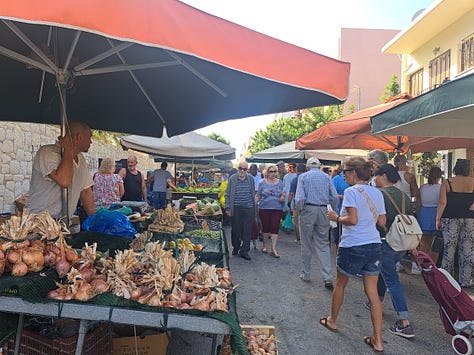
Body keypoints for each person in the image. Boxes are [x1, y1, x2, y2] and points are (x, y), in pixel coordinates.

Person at [323, 156, 386, 354]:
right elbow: (382, 222)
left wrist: (336, 217)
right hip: (374, 244)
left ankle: (332, 320)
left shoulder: (351, 192)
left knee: (341, 283)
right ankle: (378, 340)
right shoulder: (377, 193)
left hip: (353, 245)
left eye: (344, 173)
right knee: (372, 293)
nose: (343, 177)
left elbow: (353, 220)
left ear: (353, 173)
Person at [369, 164, 415, 338]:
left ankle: (405, 322)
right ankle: (376, 300)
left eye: (376, 176)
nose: (374, 179)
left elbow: (375, 220)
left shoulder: (379, 195)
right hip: (402, 244)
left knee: (392, 280)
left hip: (385, 241)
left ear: (384, 176)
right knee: (385, 271)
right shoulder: (404, 196)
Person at [26, 121, 96, 221]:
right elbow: (64, 181)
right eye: (89, 137)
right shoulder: (48, 152)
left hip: (63, 221)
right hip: (39, 221)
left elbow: (85, 191)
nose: (91, 142)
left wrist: (94, 220)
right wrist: (68, 148)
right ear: (79, 137)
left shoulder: (81, 159)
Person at [294, 157, 338, 288]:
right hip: (324, 209)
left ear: (307, 166)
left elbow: (299, 198)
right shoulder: (327, 177)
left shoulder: (303, 177)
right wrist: (332, 209)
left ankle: (306, 273)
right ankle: (327, 276)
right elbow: (335, 197)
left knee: (306, 243)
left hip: (308, 208)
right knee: (323, 243)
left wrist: (301, 210)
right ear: (319, 166)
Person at [436, 158, 474, 289]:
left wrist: (437, 219)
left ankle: (447, 279)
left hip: (450, 217)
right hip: (469, 218)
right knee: (468, 249)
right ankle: (466, 279)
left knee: (449, 248)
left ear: (455, 168)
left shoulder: (447, 182)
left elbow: (442, 202)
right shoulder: (473, 182)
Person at [225, 161, 255, 260]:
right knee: (236, 229)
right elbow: (227, 194)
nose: (242, 171)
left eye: (244, 169)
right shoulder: (232, 178)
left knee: (247, 230)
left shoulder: (250, 179)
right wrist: (228, 207)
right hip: (236, 207)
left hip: (248, 207)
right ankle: (236, 246)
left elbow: (253, 193)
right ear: (238, 168)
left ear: (247, 170)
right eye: (240, 168)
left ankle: (245, 251)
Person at [256, 164, 285, 258]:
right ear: (267, 172)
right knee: (265, 227)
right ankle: (265, 246)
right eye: (271, 171)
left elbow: (283, 192)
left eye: (274, 171)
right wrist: (253, 204)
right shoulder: (262, 182)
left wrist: (282, 196)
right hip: (264, 208)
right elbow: (258, 195)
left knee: (275, 227)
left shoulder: (279, 182)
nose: (273, 174)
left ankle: (273, 249)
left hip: (277, 208)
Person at [418, 167, 442, 258]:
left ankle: (419, 261)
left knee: (423, 241)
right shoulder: (440, 187)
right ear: (439, 176)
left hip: (424, 213)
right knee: (435, 241)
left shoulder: (423, 187)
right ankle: (431, 263)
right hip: (436, 212)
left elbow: (418, 202)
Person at [287, 163, 307, 243]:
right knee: (305, 221)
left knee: (296, 221)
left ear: (296, 170)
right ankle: (305, 238)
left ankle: (299, 238)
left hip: (296, 202)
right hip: (306, 203)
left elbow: (291, 193)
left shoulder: (294, 180)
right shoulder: (307, 178)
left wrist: (288, 202)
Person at [332, 164, 350, 246]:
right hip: (339, 212)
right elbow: (332, 194)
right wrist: (343, 197)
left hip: (351, 215)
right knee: (338, 239)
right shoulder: (337, 179)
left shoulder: (360, 180)